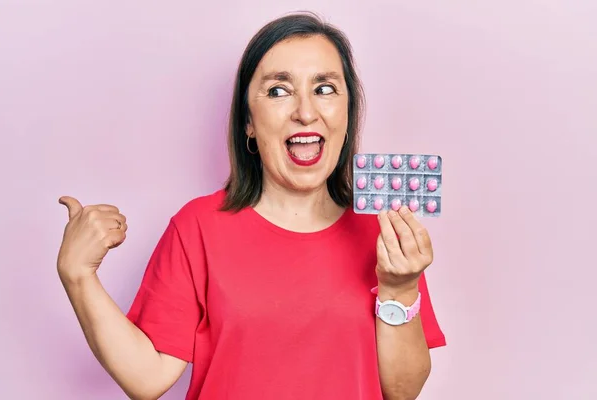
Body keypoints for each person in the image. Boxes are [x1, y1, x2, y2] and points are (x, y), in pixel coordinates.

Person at [56, 11, 446, 400]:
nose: (306, 112)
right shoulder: (198, 227)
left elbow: (402, 391)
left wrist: (400, 287)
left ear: (347, 112)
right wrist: (78, 275)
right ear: (249, 122)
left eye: (324, 88)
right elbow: (146, 377)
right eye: (279, 90)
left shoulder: (385, 235)